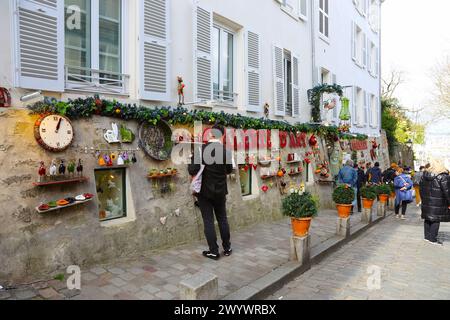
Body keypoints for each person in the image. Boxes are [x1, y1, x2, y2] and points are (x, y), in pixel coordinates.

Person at [188, 124, 234, 260]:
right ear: (223, 136)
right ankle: (227, 248)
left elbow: (192, 170)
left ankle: (213, 251)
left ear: (210, 134)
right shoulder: (226, 152)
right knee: (222, 219)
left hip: (204, 191)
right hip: (220, 191)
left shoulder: (200, 150)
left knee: (208, 221)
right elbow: (229, 170)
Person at [420, 159, 450, 246]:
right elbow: (447, 191)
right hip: (439, 202)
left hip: (427, 201)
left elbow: (421, 189)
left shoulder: (424, 175)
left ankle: (427, 237)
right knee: (436, 219)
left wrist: (423, 199)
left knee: (428, 218)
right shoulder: (443, 176)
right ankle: (432, 239)